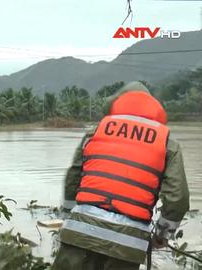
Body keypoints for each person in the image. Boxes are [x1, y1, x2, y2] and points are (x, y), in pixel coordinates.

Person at [52, 81, 190, 270]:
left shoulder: (95, 132)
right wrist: (161, 235)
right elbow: (178, 199)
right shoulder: (168, 144)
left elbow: (72, 179)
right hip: (128, 243)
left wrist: (68, 216)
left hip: (80, 232)